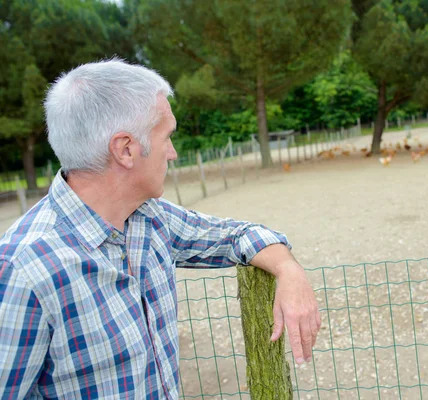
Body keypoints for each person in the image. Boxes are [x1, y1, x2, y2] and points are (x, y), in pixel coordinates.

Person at [0, 59, 320, 399]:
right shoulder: (25, 268)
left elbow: (236, 235)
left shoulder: (150, 219)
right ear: (125, 149)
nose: (173, 153)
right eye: (167, 137)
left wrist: (289, 270)